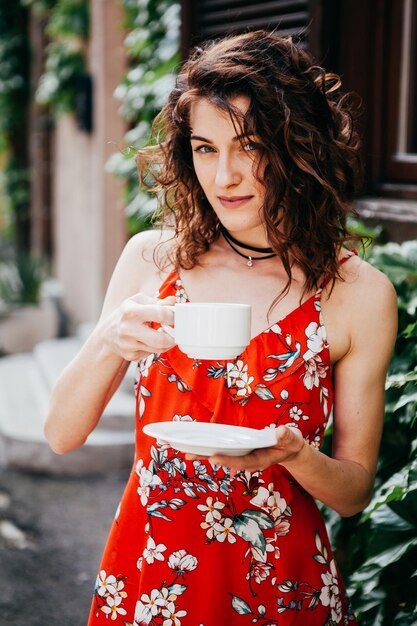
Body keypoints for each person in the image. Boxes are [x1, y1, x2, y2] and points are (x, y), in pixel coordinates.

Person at [45, 30, 397, 626]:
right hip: (154, 574)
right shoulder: (151, 259)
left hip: (283, 585)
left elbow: (355, 492)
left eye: (249, 146)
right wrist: (109, 340)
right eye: (205, 149)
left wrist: (295, 456)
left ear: (297, 145)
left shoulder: (359, 294)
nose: (225, 176)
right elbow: (60, 434)